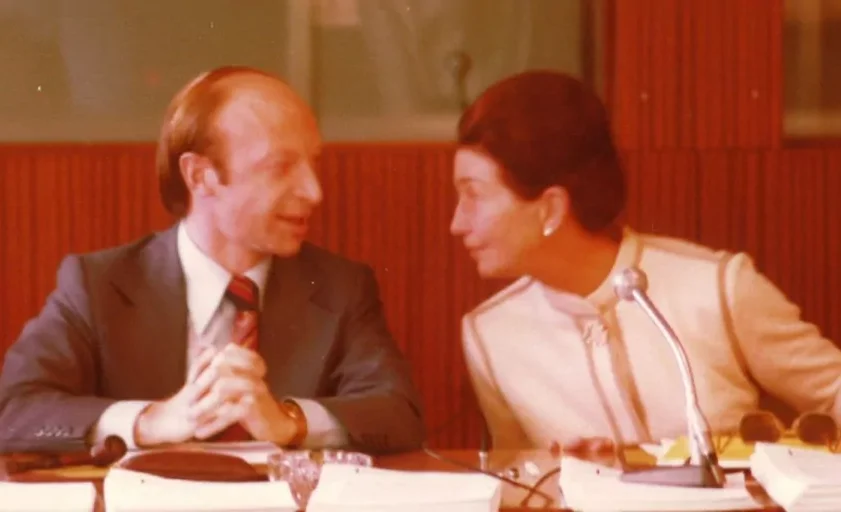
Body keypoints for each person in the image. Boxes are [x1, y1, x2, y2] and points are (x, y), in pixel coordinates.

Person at [0, 66, 425, 454]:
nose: (314, 192)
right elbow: (13, 410)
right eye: (281, 167)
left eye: (312, 163)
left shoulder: (340, 287)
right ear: (200, 176)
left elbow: (398, 414)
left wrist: (289, 422)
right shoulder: (99, 285)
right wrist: (150, 421)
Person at [450, 70, 841, 451]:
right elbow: (517, 474)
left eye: (474, 195)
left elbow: (835, 391)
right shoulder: (489, 335)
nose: (457, 223)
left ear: (550, 208)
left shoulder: (718, 287)